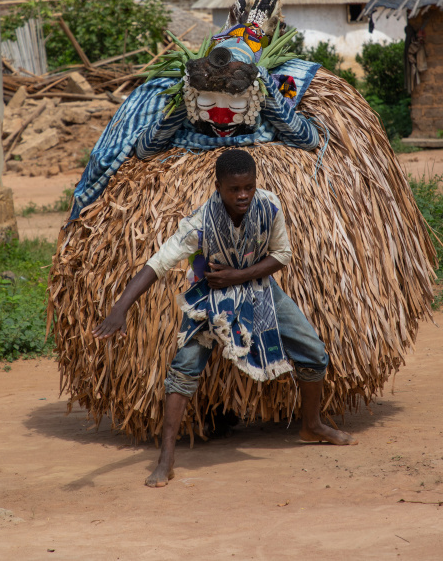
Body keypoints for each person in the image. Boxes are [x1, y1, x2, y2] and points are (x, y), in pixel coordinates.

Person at [92, 149, 357, 488]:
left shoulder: (270, 206)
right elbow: (158, 263)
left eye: (248, 186)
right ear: (218, 186)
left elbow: (281, 255)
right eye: (234, 189)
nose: (243, 195)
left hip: (259, 289)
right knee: (183, 368)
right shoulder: (200, 223)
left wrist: (237, 276)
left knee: (314, 353)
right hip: (211, 297)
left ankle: (312, 425)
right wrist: (120, 308)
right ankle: (166, 458)